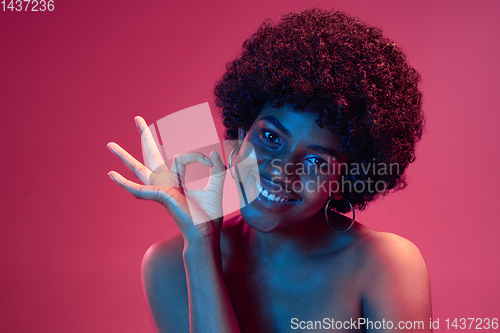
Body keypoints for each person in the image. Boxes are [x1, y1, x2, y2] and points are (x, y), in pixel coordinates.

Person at [107, 8, 431, 333]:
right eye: (271, 137)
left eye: (316, 161)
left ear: (345, 178)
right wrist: (201, 242)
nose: (282, 171)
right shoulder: (169, 264)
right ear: (241, 132)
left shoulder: (386, 265)